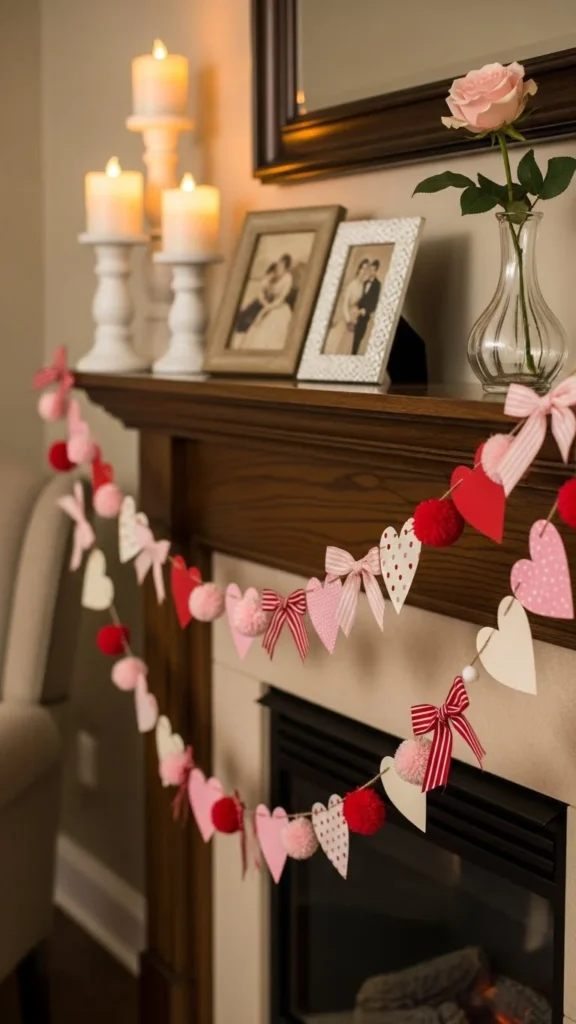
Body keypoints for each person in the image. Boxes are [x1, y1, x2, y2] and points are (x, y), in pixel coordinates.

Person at [244, 253, 294, 350]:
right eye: (279, 264)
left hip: (279, 307)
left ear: (286, 268)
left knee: (270, 326)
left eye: (282, 266)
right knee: (256, 328)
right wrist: (264, 303)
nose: (279, 267)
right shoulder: (271, 275)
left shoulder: (288, 278)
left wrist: (267, 308)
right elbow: (260, 291)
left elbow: (281, 299)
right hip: (266, 304)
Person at [234, 262, 278, 335]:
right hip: (258, 302)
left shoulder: (271, 282)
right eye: (272, 273)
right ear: (270, 272)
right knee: (249, 316)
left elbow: (270, 294)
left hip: (262, 303)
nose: (273, 276)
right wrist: (266, 303)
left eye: (274, 274)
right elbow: (260, 295)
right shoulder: (264, 281)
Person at [352, 259, 381, 355]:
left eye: (373, 270)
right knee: (354, 336)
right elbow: (361, 297)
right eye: (370, 269)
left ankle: (354, 353)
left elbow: (374, 302)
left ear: (376, 271)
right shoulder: (365, 282)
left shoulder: (377, 285)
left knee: (360, 335)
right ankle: (353, 352)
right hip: (358, 313)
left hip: (365, 315)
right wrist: (357, 307)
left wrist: (366, 310)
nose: (371, 272)